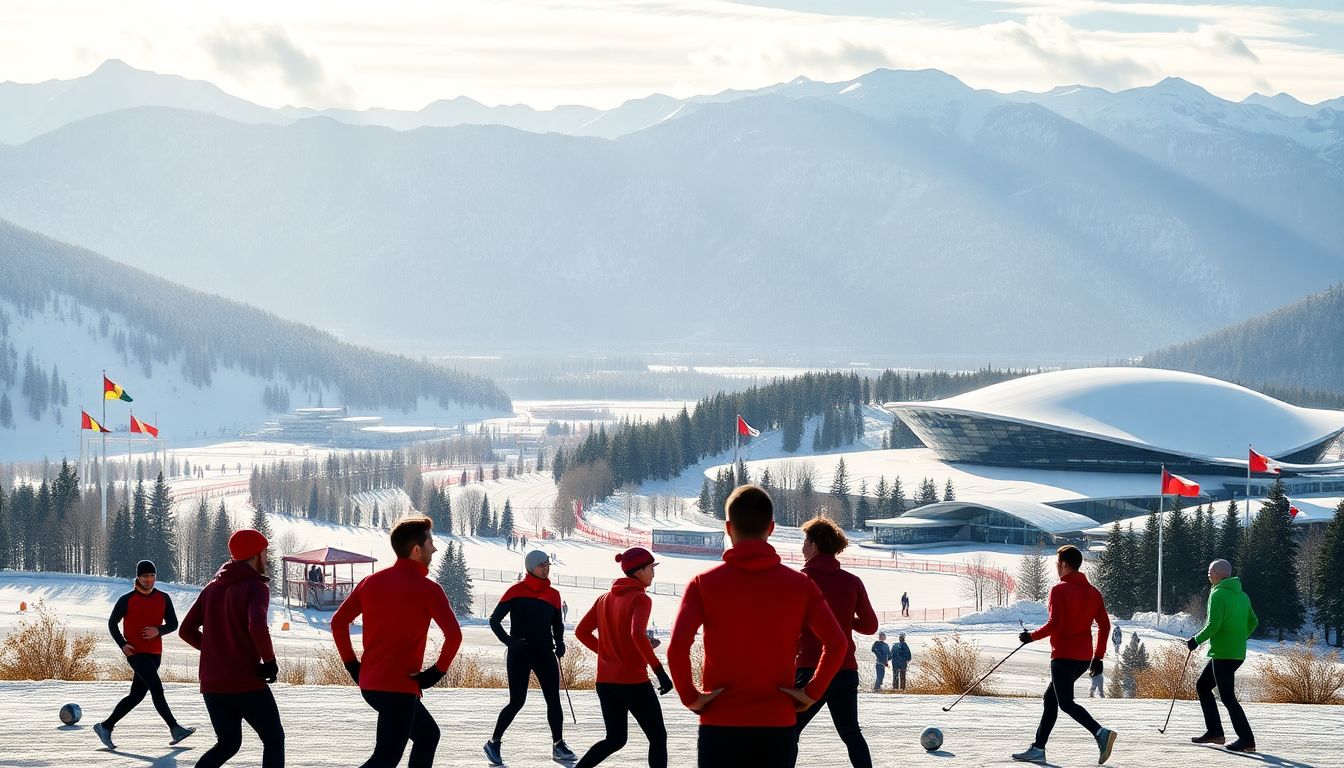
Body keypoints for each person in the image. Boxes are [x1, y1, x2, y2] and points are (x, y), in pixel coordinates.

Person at [668, 485, 846, 768]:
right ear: (772, 528)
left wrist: (691, 697)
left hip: (720, 722)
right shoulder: (801, 586)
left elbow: (677, 649)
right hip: (777, 724)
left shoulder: (703, 585)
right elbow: (837, 644)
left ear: (728, 528)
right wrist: (812, 692)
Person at [333, 516, 462, 768]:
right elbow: (454, 636)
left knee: (427, 736)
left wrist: (352, 666)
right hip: (398, 689)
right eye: (430, 543)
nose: (434, 549)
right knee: (385, 759)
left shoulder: (370, 582)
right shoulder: (429, 589)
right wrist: (436, 673)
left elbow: (338, 623)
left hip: (371, 685)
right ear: (417, 549)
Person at [179, 530, 283, 768]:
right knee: (273, 739)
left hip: (212, 685)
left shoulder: (211, 588)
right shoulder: (256, 588)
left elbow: (186, 631)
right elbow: (257, 625)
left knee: (227, 744)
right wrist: (269, 661)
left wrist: (216, 652)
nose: (266, 559)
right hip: (245, 682)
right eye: (265, 553)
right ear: (256, 555)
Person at [1013, 545, 1116, 765]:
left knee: (1066, 703)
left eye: (1057, 563)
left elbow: (1055, 624)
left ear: (1064, 565)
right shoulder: (1094, 593)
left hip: (1063, 656)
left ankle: (1100, 733)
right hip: (1083, 657)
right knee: (1051, 699)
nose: (1056, 567)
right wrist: (1097, 657)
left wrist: (1031, 637)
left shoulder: (1059, 590)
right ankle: (1038, 748)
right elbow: (1105, 626)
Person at [573, 547, 674, 768]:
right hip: (632, 682)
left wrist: (610, 653)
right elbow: (637, 634)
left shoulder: (603, 599)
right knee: (658, 738)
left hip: (606, 683)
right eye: (651, 569)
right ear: (638, 571)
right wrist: (659, 672)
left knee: (615, 739)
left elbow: (581, 632)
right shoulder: (640, 599)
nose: (653, 574)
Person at [792, 516, 877, 768]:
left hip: (811, 669)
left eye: (805, 542)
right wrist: (844, 619)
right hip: (845, 670)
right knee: (851, 734)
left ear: (815, 545)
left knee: (788, 731)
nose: (803, 547)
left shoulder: (800, 581)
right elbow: (870, 626)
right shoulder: (852, 581)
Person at [93, 560, 195, 750]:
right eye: (145, 576)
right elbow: (112, 624)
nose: (149, 580)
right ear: (138, 577)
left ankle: (105, 727)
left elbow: (173, 624)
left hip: (155, 652)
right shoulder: (126, 600)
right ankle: (175, 728)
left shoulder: (163, 598)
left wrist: (159, 630)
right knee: (156, 688)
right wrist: (122, 644)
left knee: (136, 695)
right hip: (136, 652)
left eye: (152, 576)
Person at [484, 550, 574, 764]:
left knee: (554, 700)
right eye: (542, 564)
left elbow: (557, 624)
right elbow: (494, 620)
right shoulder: (515, 591)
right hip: (520, 654)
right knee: (517, 701)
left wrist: (560, 643)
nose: (546, 567)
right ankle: (494, 742)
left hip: (544, 654)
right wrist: (510, 642)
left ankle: (558, 744)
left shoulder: (554, 594)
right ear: (531, 567)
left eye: (548, 564)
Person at [1187, 558, 1258, 752]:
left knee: (1227, 697)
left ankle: (1246, 739)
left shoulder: (1218, 594)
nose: (1208, 574)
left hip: (1223, 653)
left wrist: (1196, 640)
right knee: (1203, 686)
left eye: (1211, 571)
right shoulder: (1242, 595)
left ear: (1220, 574)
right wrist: (1239, 638)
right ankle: (1215, 732)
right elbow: (1253, 622)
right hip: (1235, 652)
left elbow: (1214, 625)